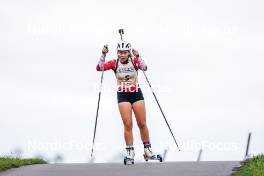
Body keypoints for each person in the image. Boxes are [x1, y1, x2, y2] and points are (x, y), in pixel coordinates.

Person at [96, 41, 155, 160]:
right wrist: (103, 54)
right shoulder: (114, 63)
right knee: (128, 124)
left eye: (125, 52)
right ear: (117, 53)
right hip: (123, 95)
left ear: (129, 53)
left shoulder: (134, 61)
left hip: (136, 93)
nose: (122, 55)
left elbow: (144, 67)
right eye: (120, 52)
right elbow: (99, 68)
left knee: (142, 123)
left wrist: (138, 56)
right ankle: (130, 151)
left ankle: (147, 150)